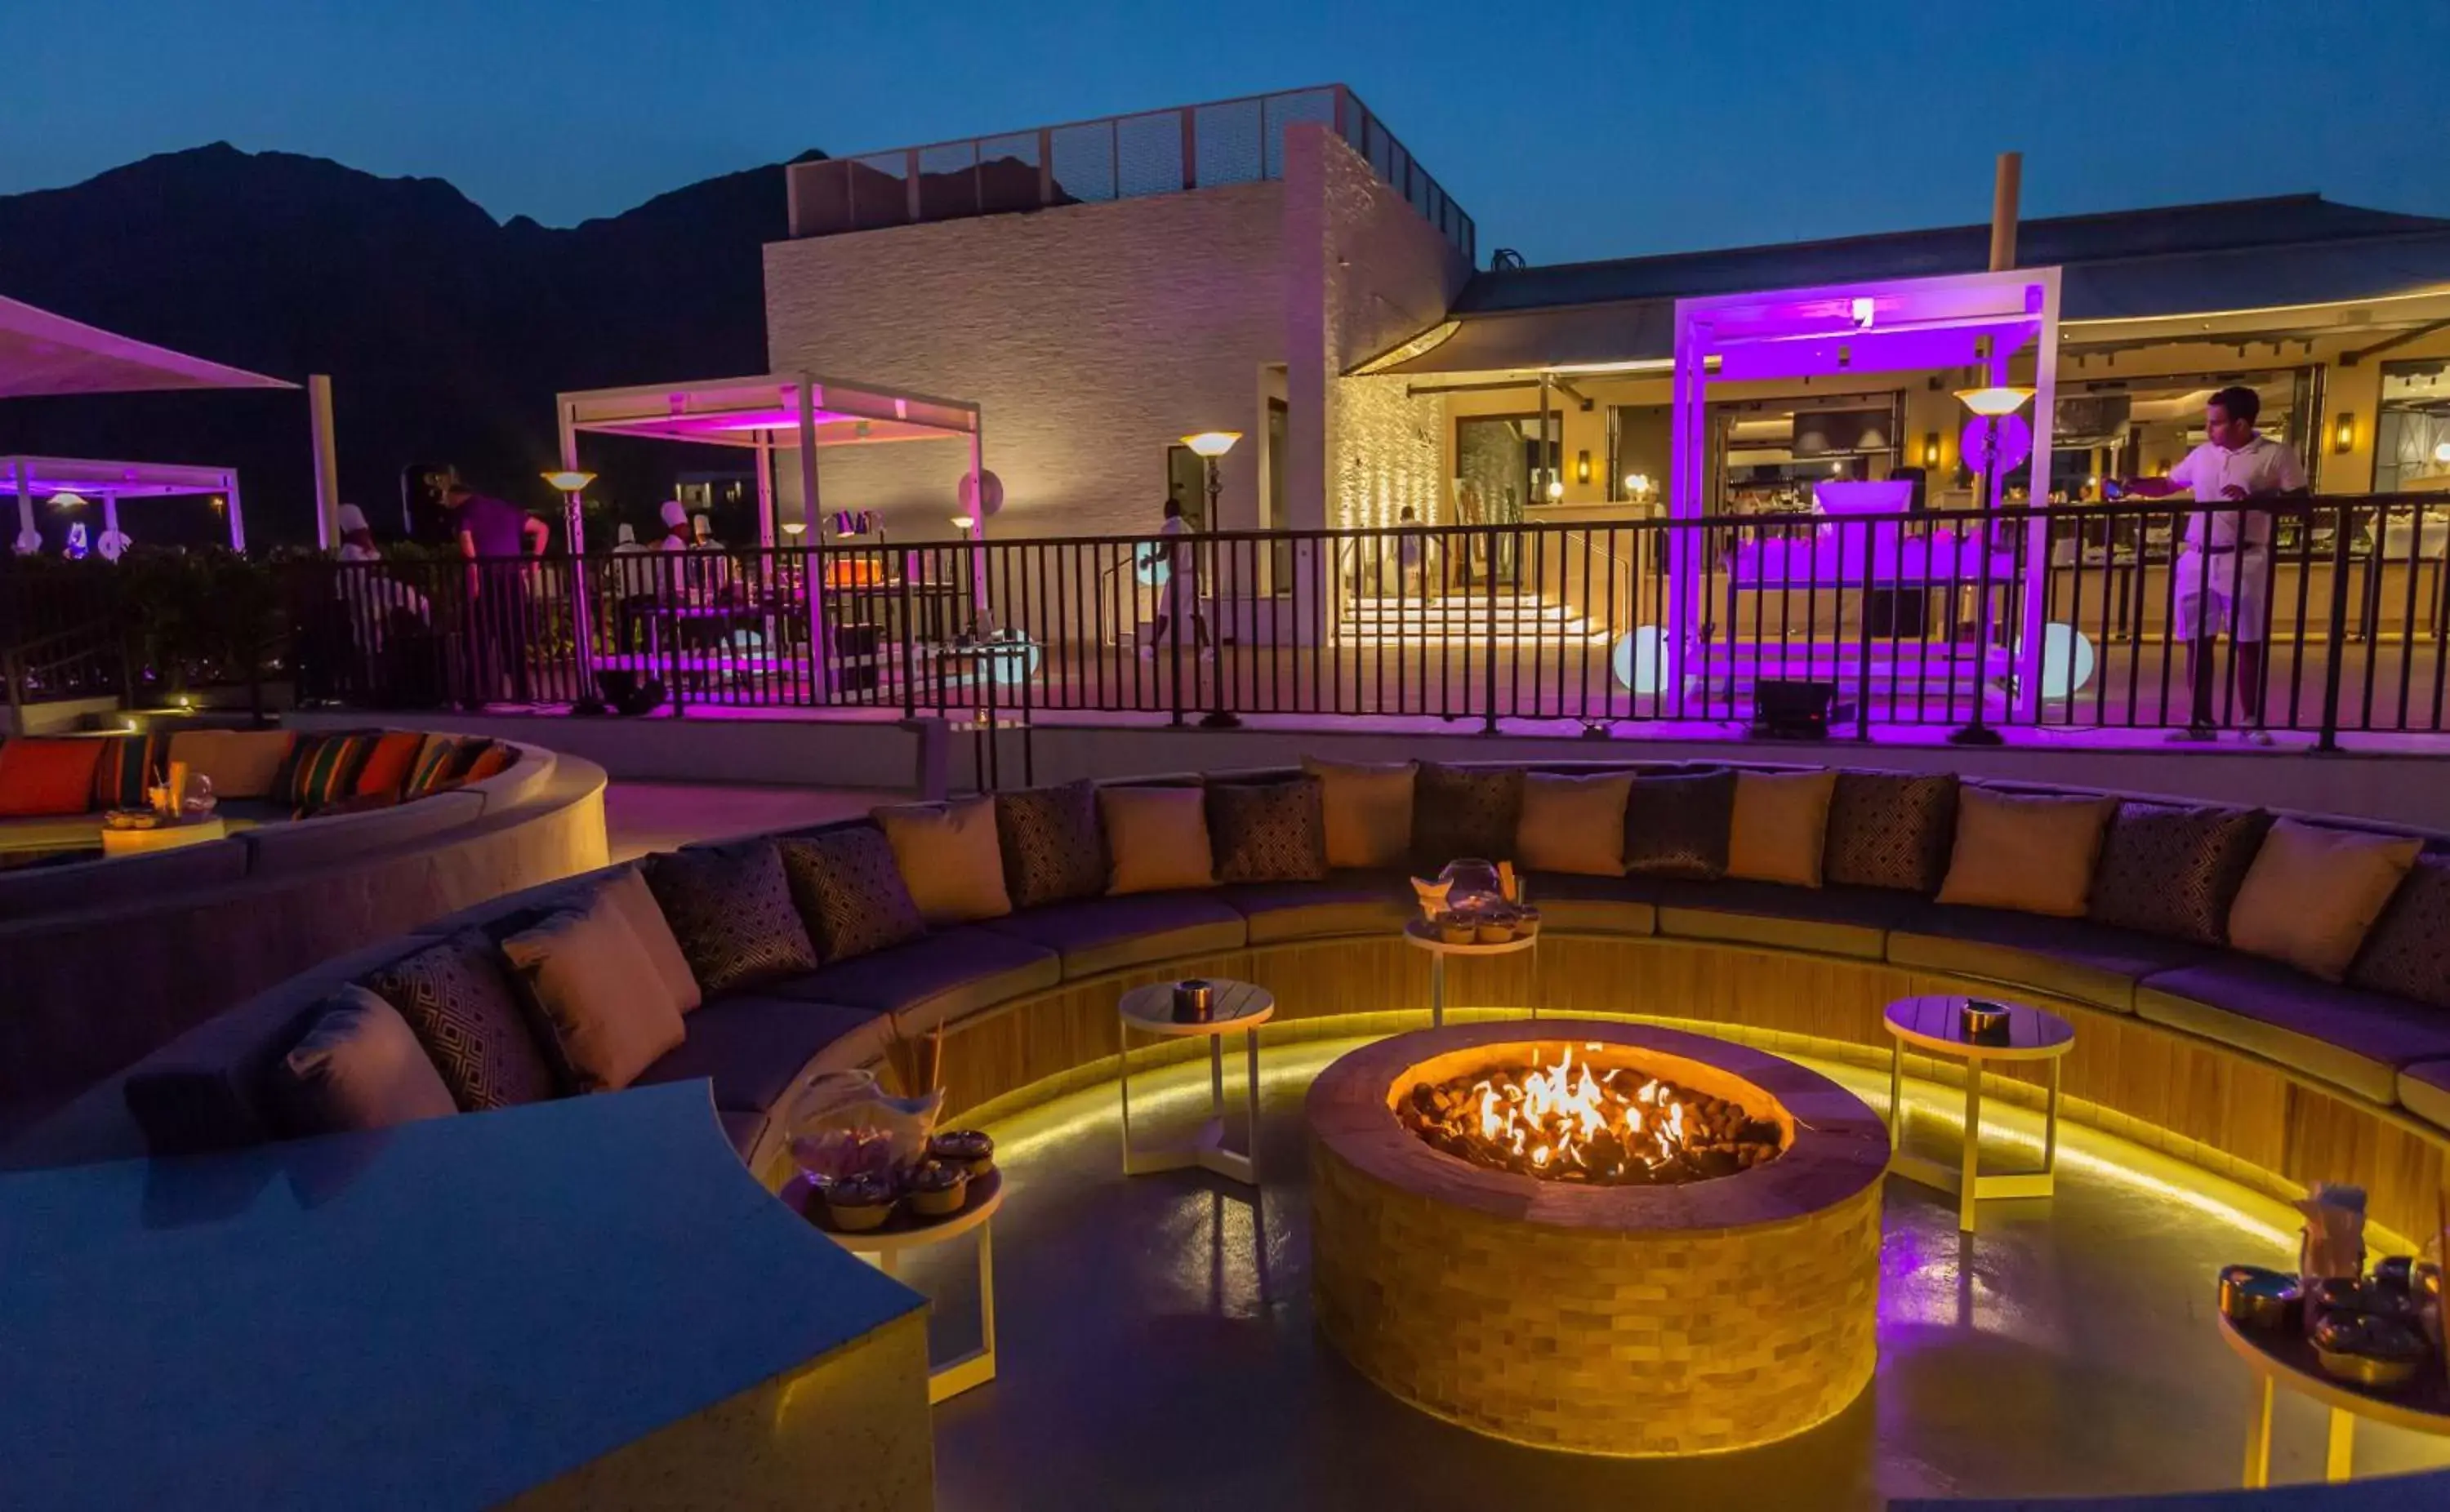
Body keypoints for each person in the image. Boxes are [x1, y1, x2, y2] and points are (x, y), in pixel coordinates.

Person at [2111, 385, 2307, 745]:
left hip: (2245, 557)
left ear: (2241, 424)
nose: (2208, 430)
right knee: (2196, 642)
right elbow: (2170, 484)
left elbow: (2300, 503)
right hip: (2197, 556)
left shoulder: (2275, 456)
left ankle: (2250, 720)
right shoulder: (2203, 454)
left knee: (2248, 640)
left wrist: (2257, 500)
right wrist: (2133, 486)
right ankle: (2200, 721)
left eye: (2215, 423)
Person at [443, 480, 548, 706]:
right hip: (512, 578)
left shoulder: (464, 511)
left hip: (487, 577)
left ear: (455, 496)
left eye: (447, 499)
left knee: (476, 637)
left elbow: (468, 547)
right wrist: (535, 562)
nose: (446, 504)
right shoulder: (504, 507)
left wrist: (474, 585)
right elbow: (542, 529)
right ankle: (523, 693)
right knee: (513, 636)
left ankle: (477, 695)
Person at [1143, 495, 1209, 661]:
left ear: (1168, 511)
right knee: (1195, 613)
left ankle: (1151, 648)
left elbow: (1163, 554)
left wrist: (1148, 559)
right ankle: (1208, 648)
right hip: (1193, 574)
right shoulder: (1187, 527)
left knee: (1164, 612)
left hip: (1179, 576)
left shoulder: (1169, 527)